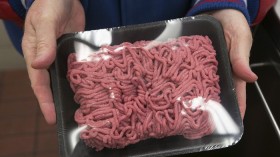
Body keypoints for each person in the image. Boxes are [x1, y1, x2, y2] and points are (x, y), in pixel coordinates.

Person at [0, 0, 276, 124]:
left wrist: (224, 1)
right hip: (76, 40)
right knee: (93, 127)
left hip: (187, 46)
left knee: (187, 130)